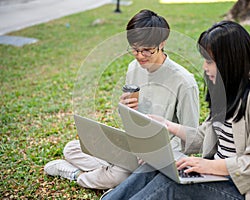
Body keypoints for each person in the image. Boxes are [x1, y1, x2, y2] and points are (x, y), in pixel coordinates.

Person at [101, 20, 250, 200]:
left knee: (173, 184)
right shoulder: (227, 88)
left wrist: (209, 166)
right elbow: (205, 135)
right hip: (216, 175)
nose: (204, 67)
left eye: (209, 61)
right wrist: (168, 126)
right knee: (155, 167)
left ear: (231, 60)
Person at [44, 9, 199, 190]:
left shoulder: (184, 82)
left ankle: (76, 175)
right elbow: (131, 118)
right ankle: (112, 170)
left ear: (162, 43)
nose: (140, 56)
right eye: (134, 49)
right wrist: (124, 107)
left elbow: (191, 137)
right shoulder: (133, 68)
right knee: (72, 148)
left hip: (161, 156)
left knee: (119, 175)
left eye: (147, 50)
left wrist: (155, 153)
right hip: (133, 147)